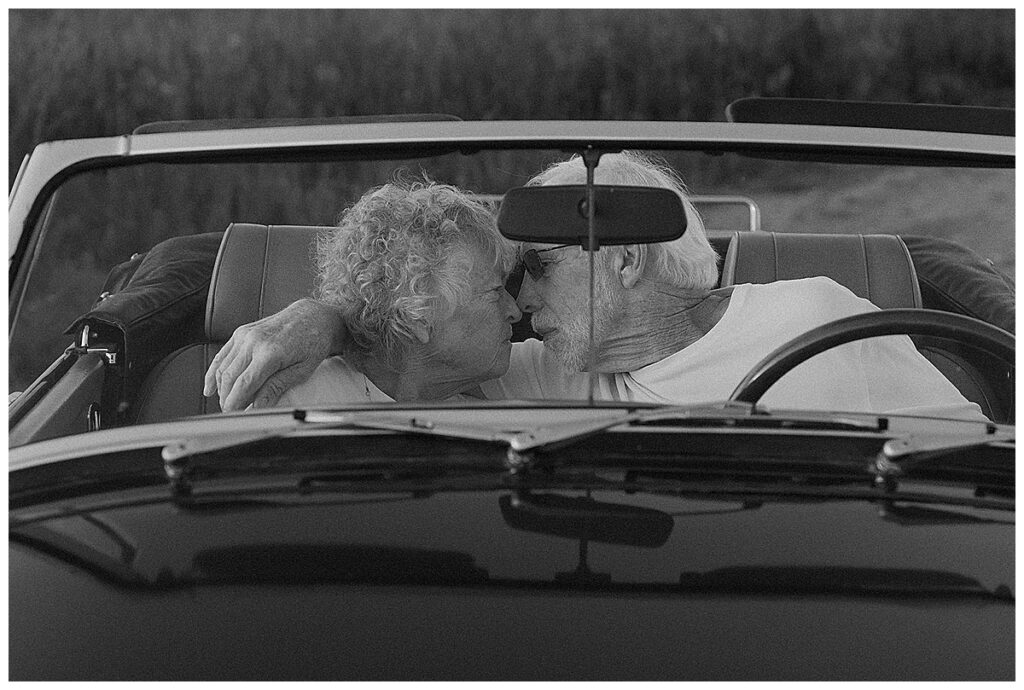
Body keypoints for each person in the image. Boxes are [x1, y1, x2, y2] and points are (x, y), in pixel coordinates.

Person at [205, 152, 984, 420]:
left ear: (625, 258)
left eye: (539, 266)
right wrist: (326, 314)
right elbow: (410, 344)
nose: (522, 305)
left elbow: (980, 471)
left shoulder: (817, 318)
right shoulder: (540, 369)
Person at [216, 177, 522, 406]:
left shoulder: (505, 379)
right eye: (495, 293)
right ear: (418, 316)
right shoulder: (299, 403)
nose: (515, 310)